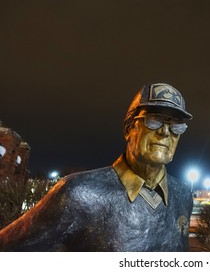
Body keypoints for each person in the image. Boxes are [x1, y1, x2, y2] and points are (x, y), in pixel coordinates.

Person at [0, 83, 193, 251]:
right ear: (129, 130)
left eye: (176, 126)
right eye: (154, 120)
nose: (165, 132)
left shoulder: (183, 193)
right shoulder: (78, 194)